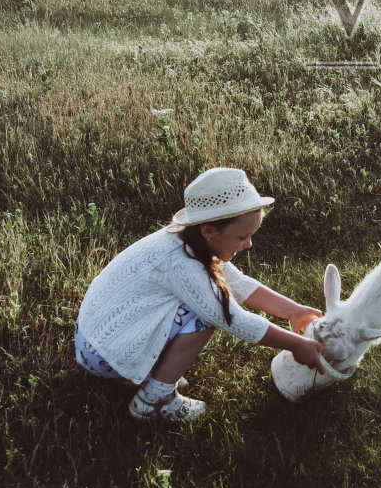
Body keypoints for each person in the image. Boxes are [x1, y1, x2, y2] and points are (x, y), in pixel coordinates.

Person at [74, 167, 324, 422]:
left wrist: (294, 311)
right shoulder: (182, 264)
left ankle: (152, 371)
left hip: (95, 340)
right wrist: (296, 344)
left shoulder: (187, 240)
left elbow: (239, 284)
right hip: (105, 352)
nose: (249, 244)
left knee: (212, 297)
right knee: (207, 314)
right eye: (243, 236)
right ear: (209, 231)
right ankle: (154, 401)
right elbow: (232, 319)